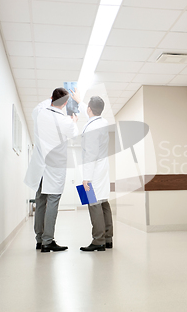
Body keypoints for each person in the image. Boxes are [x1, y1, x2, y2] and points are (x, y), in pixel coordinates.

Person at [24, 88, 79, 252]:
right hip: (54, 168)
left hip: (40, 167)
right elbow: (75, 134)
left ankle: (40, 239)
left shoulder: (39, 113)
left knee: (40, 201)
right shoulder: (67, 122)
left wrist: (54, 99)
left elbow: (42, 105)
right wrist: (74, 119)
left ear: (51, 99)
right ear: (66, 103)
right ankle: (48, 241)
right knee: (52, 202)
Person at [70, 88, 112, 252]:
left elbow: (90, 155)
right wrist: (80, 102)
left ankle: (98, 241)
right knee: (103, 203)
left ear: (89, 109)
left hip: (93, 170)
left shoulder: (92, 128)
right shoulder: (102, 122)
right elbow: (92, 111)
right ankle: (108, 238)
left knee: (93, 204)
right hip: (102, 168)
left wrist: (86, 178)